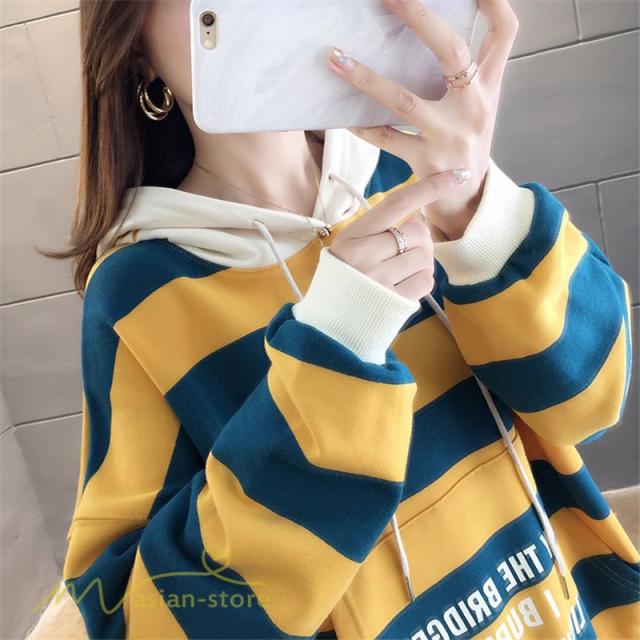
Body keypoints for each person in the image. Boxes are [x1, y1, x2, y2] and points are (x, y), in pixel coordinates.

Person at [44, 0, 639, 637]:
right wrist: (335, 349)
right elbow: (139, 618)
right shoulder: (139, 291)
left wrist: (480, 214)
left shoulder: (411, 169)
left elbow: (590, 402)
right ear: (134, 47)